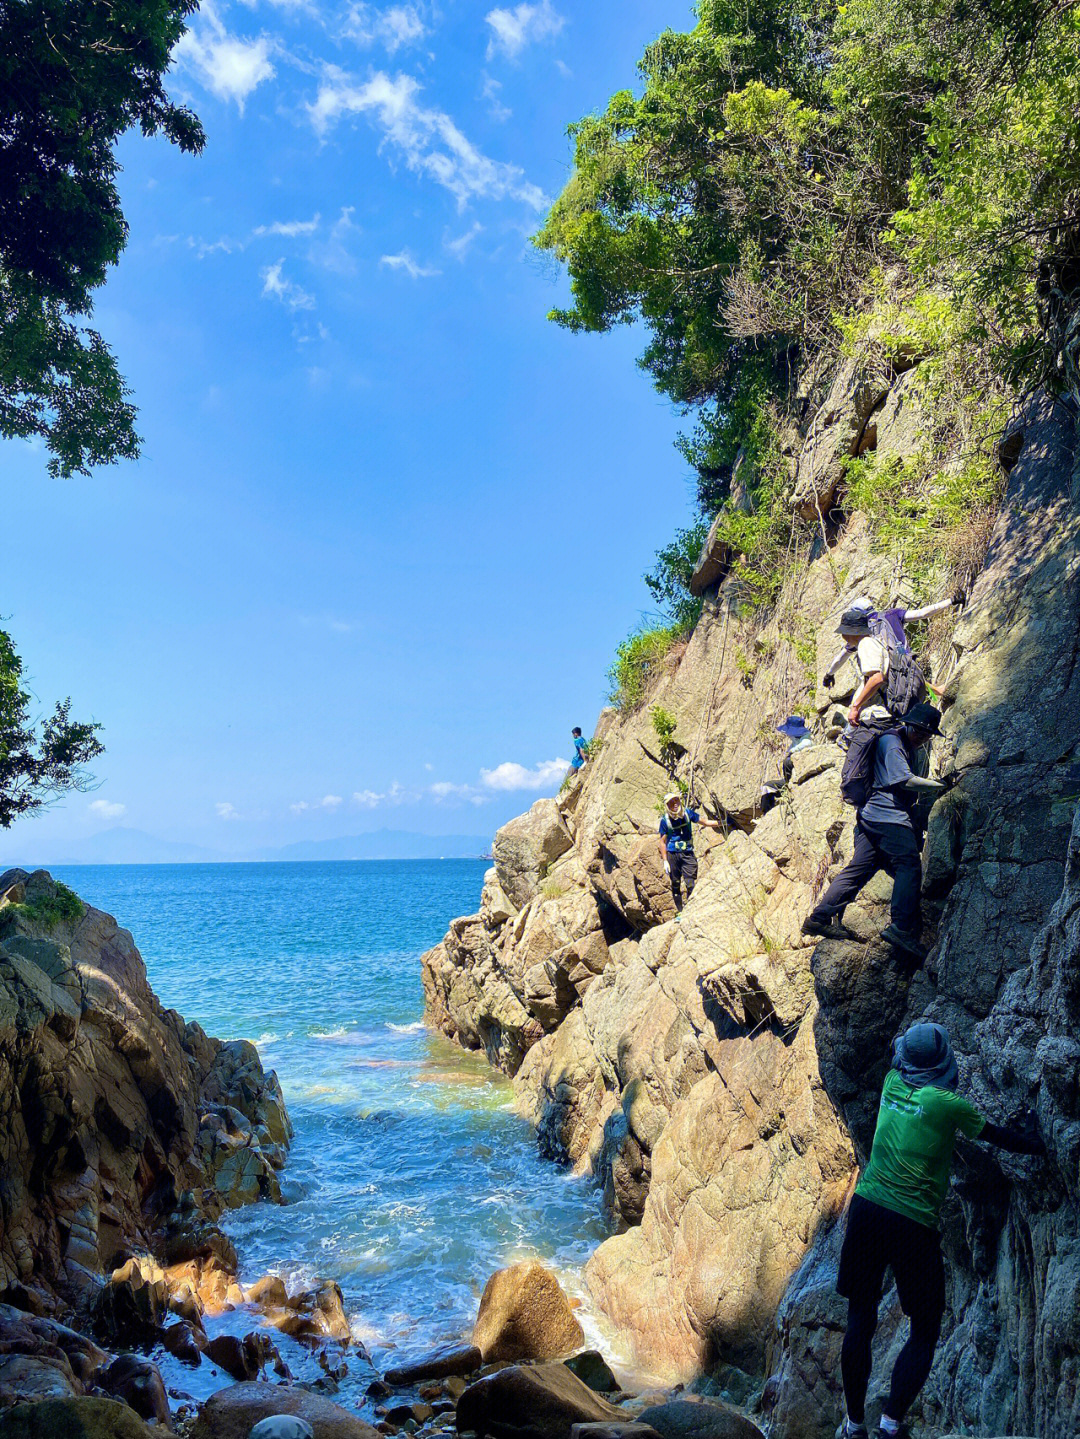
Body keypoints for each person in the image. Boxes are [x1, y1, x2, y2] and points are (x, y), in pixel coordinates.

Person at [836, 1022, 1045, 1439]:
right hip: (912, 1225)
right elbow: (1000, 1138)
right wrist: (1036, 1139)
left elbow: (899, 1053)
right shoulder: (950, 1106)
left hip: (867, 1209)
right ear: (944, 1062)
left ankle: (852, 1423)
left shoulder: (892, 1083)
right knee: (926, 1326)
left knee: (861, 1314)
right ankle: (890, 1426)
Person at [801, 701, 945, 960]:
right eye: (922, 733)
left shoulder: (896, 740)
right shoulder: (893, 744)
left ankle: (819, 918)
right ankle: (901, 928)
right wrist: (938, 786)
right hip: (887, 816)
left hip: (870, 815)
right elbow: (905, 780)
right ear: (910, 726)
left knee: (861, 867)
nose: (924, 739)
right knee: (908, 864)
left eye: (928, 736)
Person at [822, 591, 964, 689]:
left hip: (885, 678)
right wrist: (951, 601)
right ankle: (934, 689)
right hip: (907, 664)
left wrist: (829, 674)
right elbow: (922, 613)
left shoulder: (861, 631)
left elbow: (842, 657)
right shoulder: (892, 614)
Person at [658, 791, 722, 913]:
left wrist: (723, 823)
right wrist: (665, 861)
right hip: (672, 855)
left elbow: (705, 822)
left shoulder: (687, 813)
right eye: (671, 802)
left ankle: (690, 909)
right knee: (675, 883)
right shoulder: (665, 821)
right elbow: (662, 842)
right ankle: (681, 911)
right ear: (667, 805)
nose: (675, 804)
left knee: (690, 882)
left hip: (687, 853)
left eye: (676, 800)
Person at [760, 715, 814, 813]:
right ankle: (766, 814)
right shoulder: (796, 741)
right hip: (787, 780)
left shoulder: (806, 743)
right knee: (767, 787)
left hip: (795, 780)